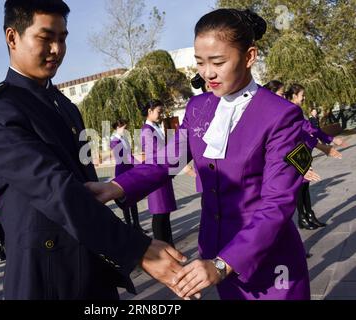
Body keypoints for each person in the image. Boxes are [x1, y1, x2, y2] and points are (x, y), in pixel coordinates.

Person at [86, 8, 314, 300]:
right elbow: (166, 162)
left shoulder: (282, 116)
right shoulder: (199, 108)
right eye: (200, 62)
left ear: (250, 56)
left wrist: (223, 264)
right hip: (214, 254)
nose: (207, 73)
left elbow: (277, 203)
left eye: (218, 62)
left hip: (267, 261)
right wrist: (114, 187)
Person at [0, 0, 185, 300]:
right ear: (12, 37)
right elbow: (54, 188)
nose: (57, 49)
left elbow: (86, 184)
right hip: (47, 277)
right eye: (46, 38)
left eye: (62, 39)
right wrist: (137, 249)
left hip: (93, 267)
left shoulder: (65, 105)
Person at [285, 83, 347, 229]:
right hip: (294, 155)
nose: (304, 98)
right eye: (302, 95)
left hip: (303, 153)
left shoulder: (296, 110)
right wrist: (329, 142)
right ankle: (302, 217)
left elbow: (309, 132)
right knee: (300, 187)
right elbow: (309, 130)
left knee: (305, 186)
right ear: (294, 96)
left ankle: (309, 214)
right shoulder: (289, 111)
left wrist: (327, 143)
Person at [139, 100, 177, 246]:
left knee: (164, 214)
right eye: (159, 112)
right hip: (156, 174)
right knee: (159, 213)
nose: (161, 115)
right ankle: (163, 247)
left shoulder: (154, 128)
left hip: (162, 173)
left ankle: (169, 245)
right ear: (150, 111)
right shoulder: (146, 130)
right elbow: (157, 153)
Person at [110, 119, 143, 231]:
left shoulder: (123, 139)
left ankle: (137, 225)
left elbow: (130, 154)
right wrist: (140, 165)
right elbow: (126, 156)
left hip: (129, 169)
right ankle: (129, 228)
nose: (125, 130)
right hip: (122, 171)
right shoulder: (114, 141)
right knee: (125, 201)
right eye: (124, 128)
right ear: (118, 128)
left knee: (133, 199)